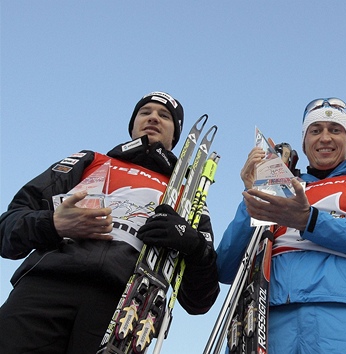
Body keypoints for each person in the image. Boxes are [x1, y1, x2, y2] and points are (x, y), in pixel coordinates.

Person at [0, 91, 219, 353]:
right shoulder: (89, 161)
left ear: (176, 135)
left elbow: (199, 301)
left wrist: (193, 246)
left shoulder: (188, 195)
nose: (153, 118)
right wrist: (53, 224)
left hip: (124, 306)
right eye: (145, 112)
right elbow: (7, 228)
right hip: (43, 289)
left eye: (164, 116)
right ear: (132, 124)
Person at [217, 97, 346, 353]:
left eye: (335, 130)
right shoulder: (281, 186)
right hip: (268, 316)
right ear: (304, 140)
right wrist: (254, 192)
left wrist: (309, 220)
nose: (324, 138)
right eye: (315, 130)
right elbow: (226, 267)